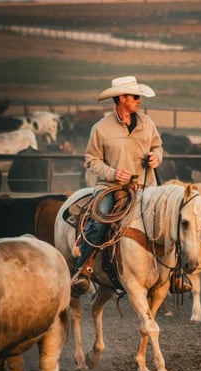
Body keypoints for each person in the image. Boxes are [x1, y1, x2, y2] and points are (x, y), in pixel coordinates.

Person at [70, 76, 163, 296]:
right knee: (99, 219)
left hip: (145, 186)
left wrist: (156, 157)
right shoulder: (101, 128)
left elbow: (158, 146)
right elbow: (91, 160)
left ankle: (176, 273)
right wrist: (113, 173)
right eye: (135, 97)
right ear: (122, 98)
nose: (139, 101)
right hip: (111, 188)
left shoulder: (147, 123)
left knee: (169, 221)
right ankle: (83, 269)